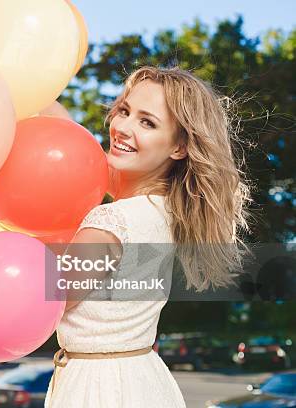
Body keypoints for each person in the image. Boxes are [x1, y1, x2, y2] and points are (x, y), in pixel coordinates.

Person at [44, 66, 251, 407]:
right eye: (124, 111)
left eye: (147, 122)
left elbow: (43, 303)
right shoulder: (168, 211)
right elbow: (74, 146)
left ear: (179, 147)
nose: (123, 128)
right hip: (144, 378)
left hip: (98, 390)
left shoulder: (110, 222)